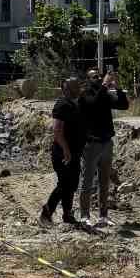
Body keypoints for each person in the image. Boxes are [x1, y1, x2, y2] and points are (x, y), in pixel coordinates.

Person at [77, 67, 129, 228]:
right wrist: (105, 85)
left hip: (107, 142)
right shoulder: (85, 94)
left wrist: (118, 87)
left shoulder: (104, 93)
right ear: (88, 80)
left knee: (104, 181)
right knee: (87, 182)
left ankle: (103, 216)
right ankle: (84, 215)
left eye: (100, 76)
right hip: (91, 144)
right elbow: (93, 105)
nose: (99, 79)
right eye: (94, 77)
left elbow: (123, 105)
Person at [40, 77, 87, 227]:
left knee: (72, 184)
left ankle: (67, 214)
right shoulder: (62, 105)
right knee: (64, 184)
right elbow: (57, 130)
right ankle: (47, 212)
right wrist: (66, 150)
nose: (79, 89)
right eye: (76, 87)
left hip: (75, 152)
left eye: (78, 86)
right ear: (67, 89)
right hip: (63, 153)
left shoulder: (76, 104)